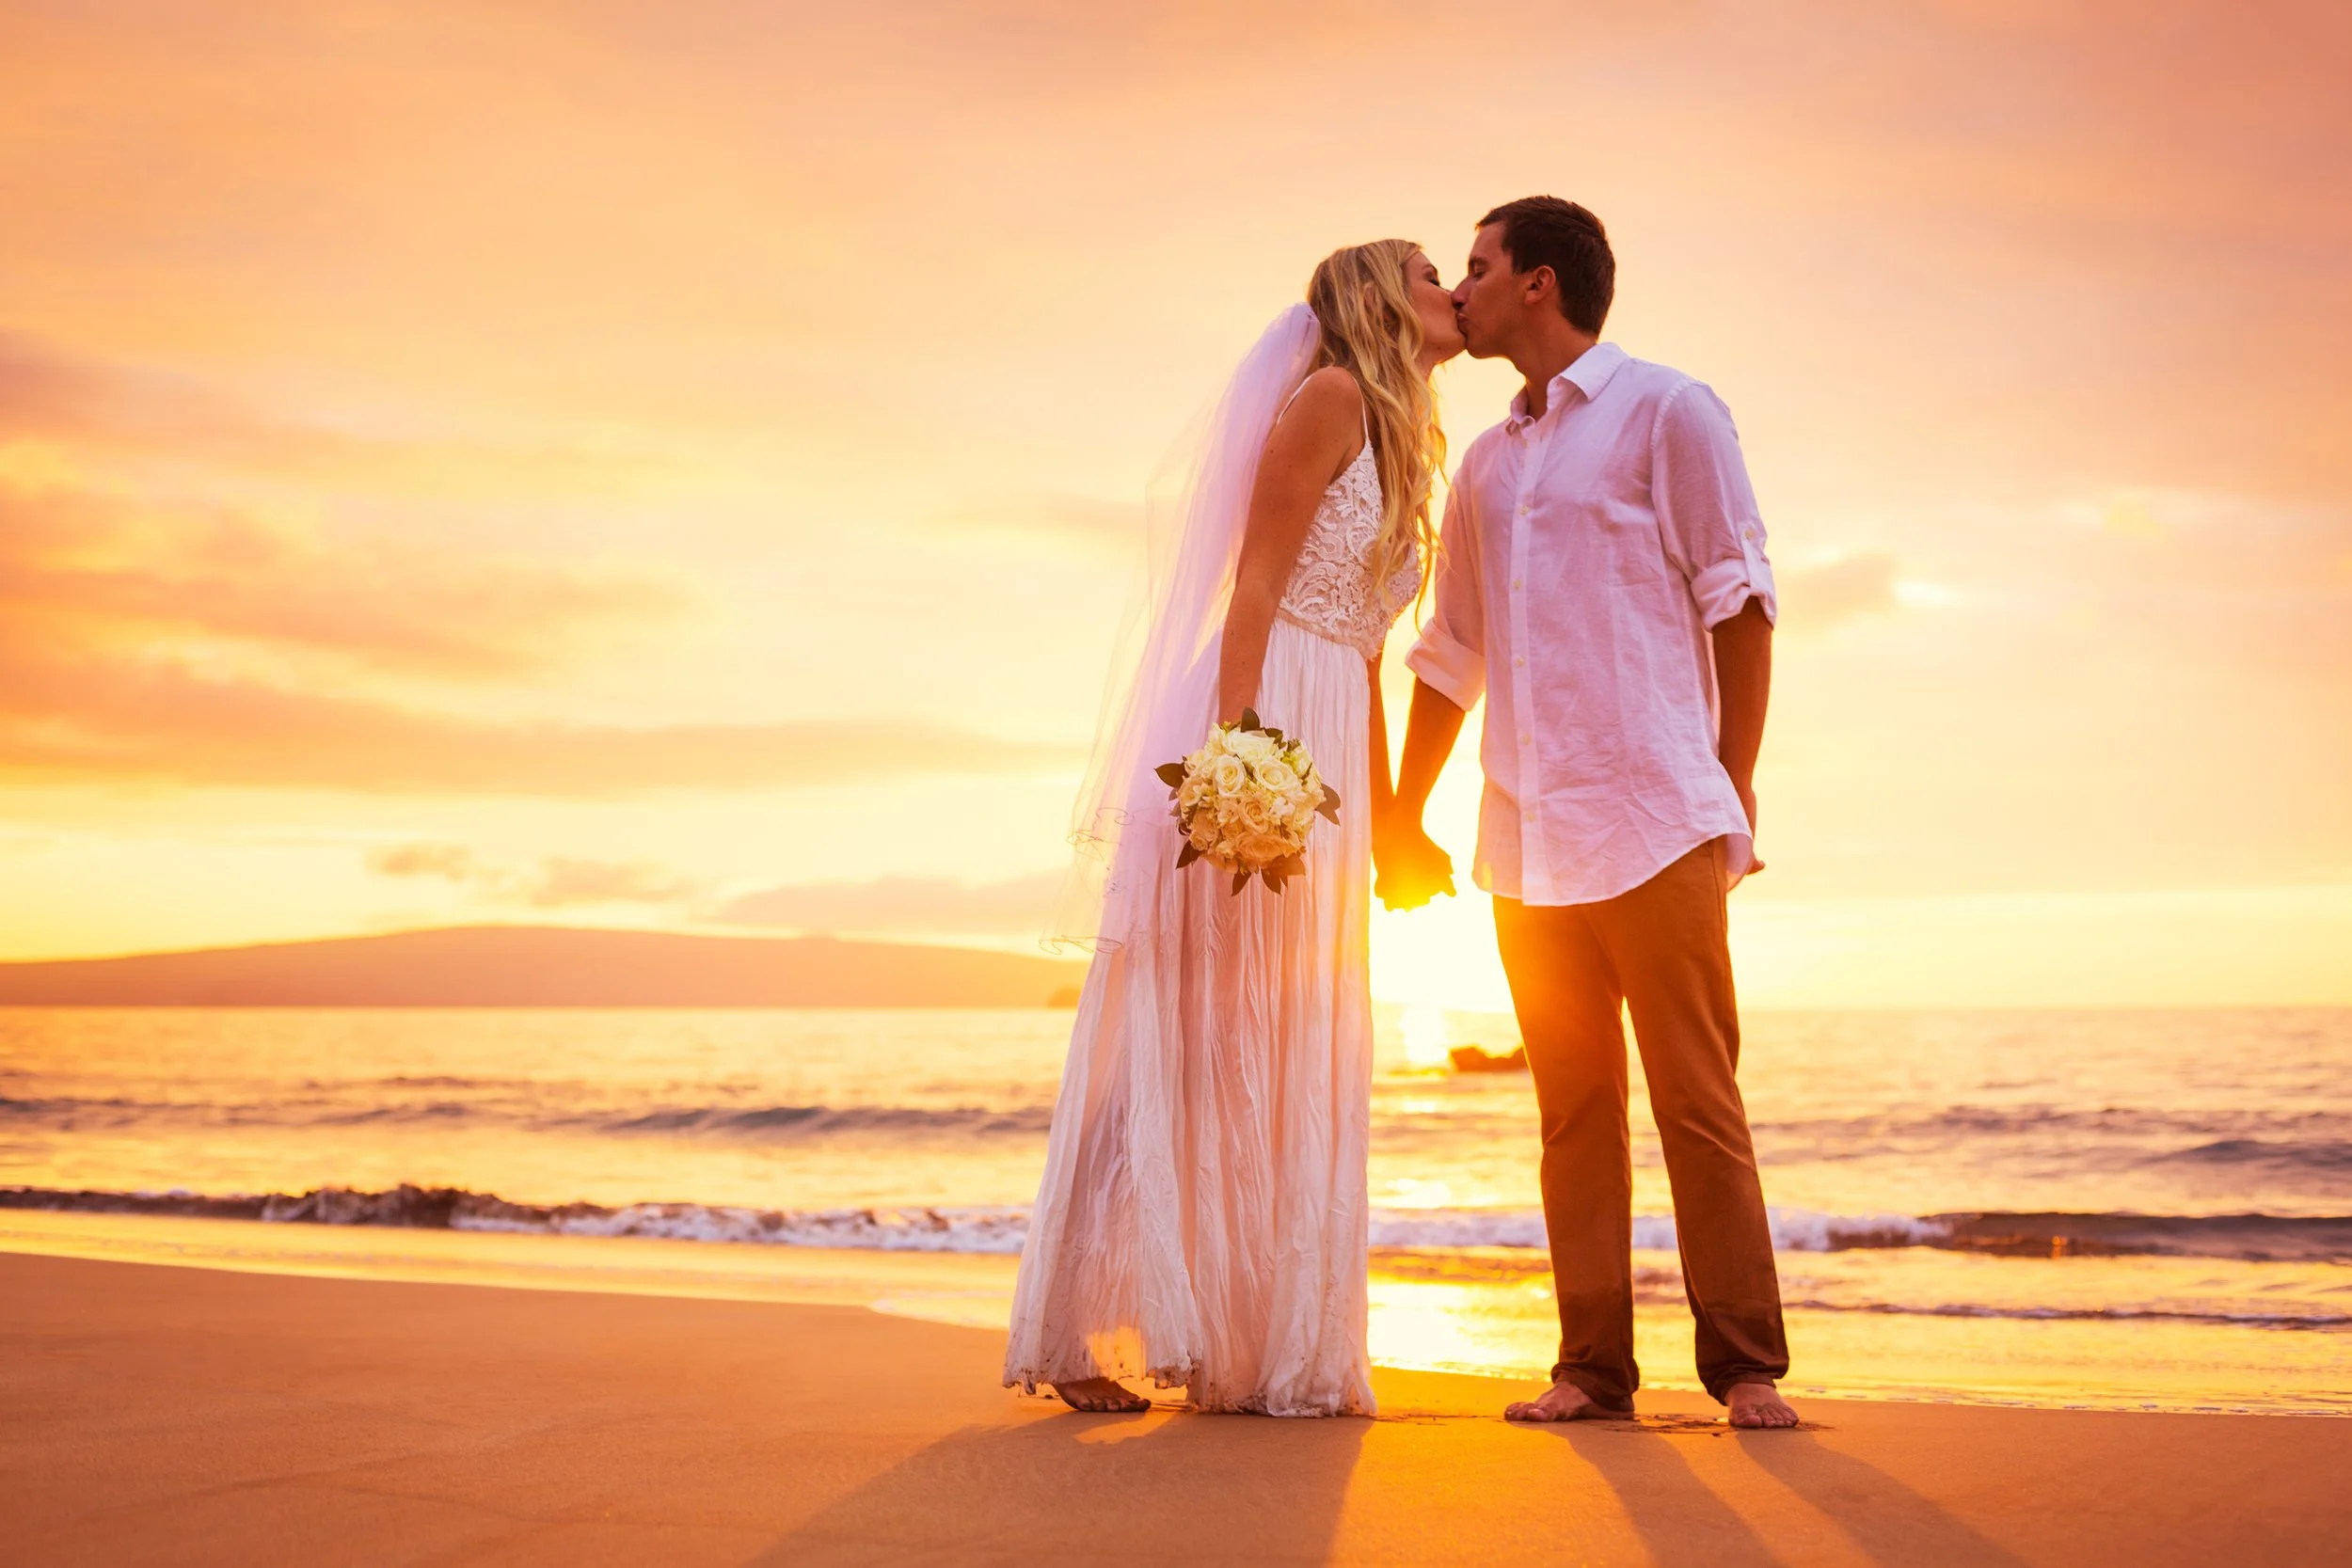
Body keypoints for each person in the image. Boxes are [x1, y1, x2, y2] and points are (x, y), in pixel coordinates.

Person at [1003, 240, 1462, 1416]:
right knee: (1190, 1025)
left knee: (1285, 1026)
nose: (1447, 287)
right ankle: (1066, 1329)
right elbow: (1254, 586)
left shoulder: (1404, 434)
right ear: (1373, 299)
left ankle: (1261, 1336)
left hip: (1332, 744)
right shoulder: (1329, 398)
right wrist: (1236, 761)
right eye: (1423, 272)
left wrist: (1395, 818)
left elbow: (1365, 645)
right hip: (1260, 723)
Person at [1378, 197, 1801, 1430]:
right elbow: (1450, 653)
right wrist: (1407, 812)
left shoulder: (1669, 409)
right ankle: (1593, 1368)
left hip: (1655, 812)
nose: (1461, 288)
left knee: (1695, 1093)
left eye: (1478, 266)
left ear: (1540, 285)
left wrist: (1731, 777)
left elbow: (1742, 596)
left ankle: (1745, 1363)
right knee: (1572, 1110)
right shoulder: (1488, 466)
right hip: (1524, 835)